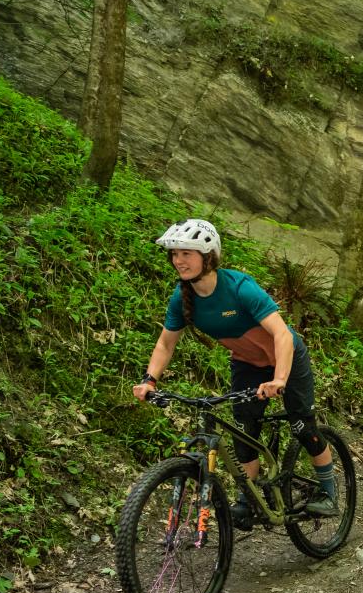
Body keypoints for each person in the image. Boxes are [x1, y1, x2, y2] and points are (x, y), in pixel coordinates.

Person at [132, 218, 337, 524]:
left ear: (208, 256)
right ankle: (249, 499)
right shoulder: (182, 298)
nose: (178, 260)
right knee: (244, 430)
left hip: (287, 358)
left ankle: (329, 492)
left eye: (186, 253)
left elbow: (282, 335)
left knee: (302, 427)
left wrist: (279, 378)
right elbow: (165, 344)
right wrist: (150, 380)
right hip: (248, 364)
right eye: (174, 254)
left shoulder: (240, 288)